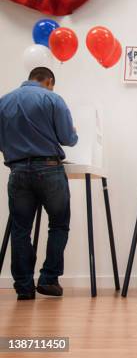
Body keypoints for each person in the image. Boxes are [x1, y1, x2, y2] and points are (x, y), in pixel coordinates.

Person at [0, 67, 78, 300]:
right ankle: (48, 279)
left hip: (18, 171)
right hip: (50, 170)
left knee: (20, 229)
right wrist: (73, 132)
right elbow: (67, 138)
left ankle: (24, 287)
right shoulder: (52, 98)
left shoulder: (4, 101)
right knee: (59, 225)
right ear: (49, 81)